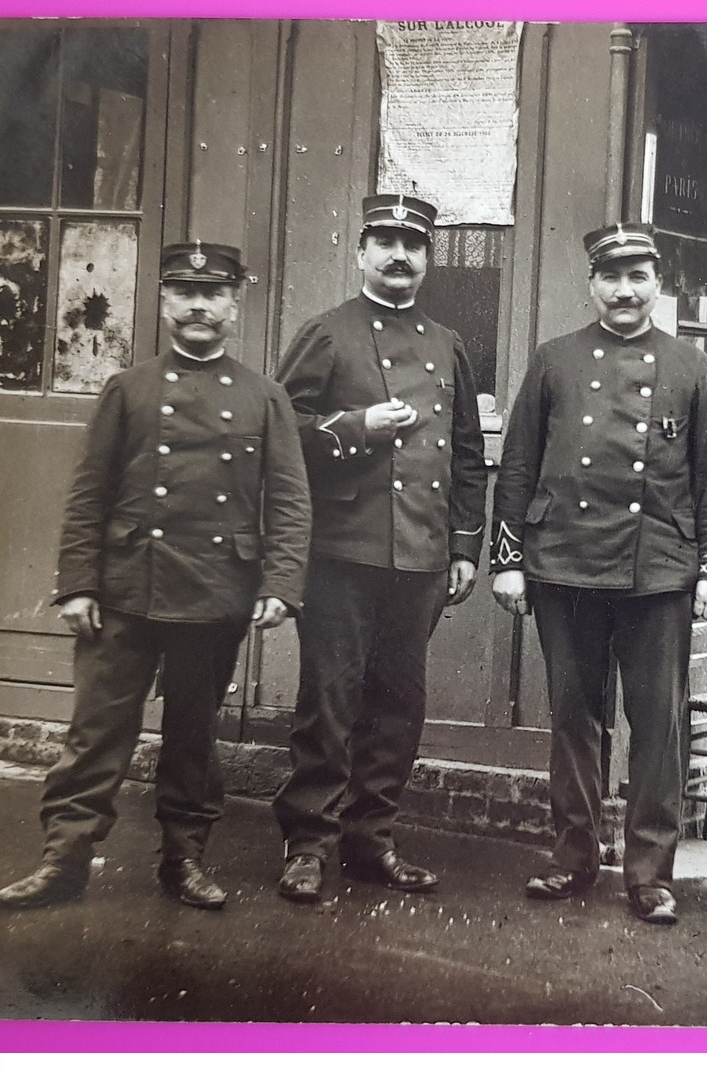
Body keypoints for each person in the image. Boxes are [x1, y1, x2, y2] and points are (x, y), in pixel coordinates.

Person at [0, 242, 312, 911]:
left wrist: (280, 584)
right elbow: (88, 495)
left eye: (213, 294)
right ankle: (65, 858)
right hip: (125, 589)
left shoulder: (265, 397)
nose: (199, 305)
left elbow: (288, 499)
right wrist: (78, 582)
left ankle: (184, 859)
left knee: (194, 735)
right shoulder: (128, 389)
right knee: (96, 731)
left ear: (234, 304)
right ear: (164, 302)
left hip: (215, 590)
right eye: (183, 292)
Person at [489, 222, 707, 926]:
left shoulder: (690, 366)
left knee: (657, 725)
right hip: (563, 563)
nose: (624, 291)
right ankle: (572, 857)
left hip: (656, 570)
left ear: (658, 284)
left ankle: (651, 873)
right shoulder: (553, 359)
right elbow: (518, 465)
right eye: (611, 277)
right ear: (591, 284)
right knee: (574, 717)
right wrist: (508, 562)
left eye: (637, 277)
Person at [271, 194, 488, 903]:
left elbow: (465, 453)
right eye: (386, 241)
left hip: (421, 555)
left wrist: (462, 545)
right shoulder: (327, 334)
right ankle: (307, 844)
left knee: (398, 705)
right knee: (329, 704)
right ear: (361, 251)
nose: (400, 256)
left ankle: (372, 842)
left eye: (413, 245)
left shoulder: (445, 342)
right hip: (340, 554)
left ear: (427, 259)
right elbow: (281, 434)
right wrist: (358, 423)